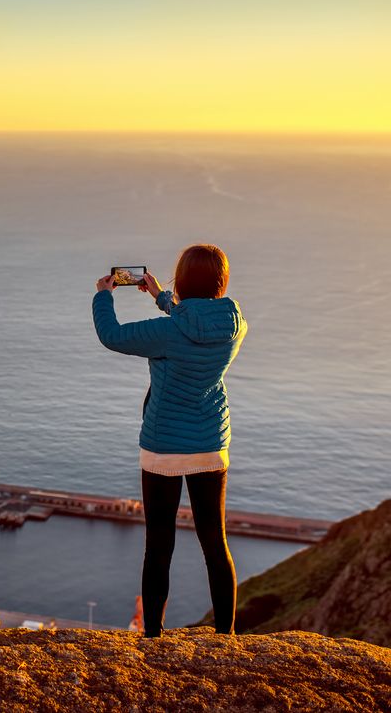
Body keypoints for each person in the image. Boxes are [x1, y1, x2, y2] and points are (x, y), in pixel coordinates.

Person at [92, 244, 247, 637]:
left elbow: (112, 336)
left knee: (158, 544)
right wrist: (162, 296)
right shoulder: (235, 325)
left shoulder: (166, 331)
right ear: (221, 281)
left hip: (163, 447)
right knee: (216, 543)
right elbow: (194, 323)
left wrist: (103, 295)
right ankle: (226, 634)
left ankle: (154, 635)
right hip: (211, 444)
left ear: (183, 279)